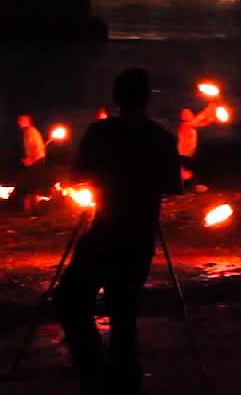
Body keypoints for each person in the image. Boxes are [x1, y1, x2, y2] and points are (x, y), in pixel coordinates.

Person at [55, 68, 181, 394]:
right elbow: (173, 185)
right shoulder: (162, 138)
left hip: (105, 232)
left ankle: (96, 370)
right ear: (147, 99)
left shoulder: (100, 133)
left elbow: (76, 175)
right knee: (123, 309)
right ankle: (124, 375)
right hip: (138, 236)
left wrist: (105, 178)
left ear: (116, 97)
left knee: (71, 298)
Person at [176, 107, 214, 189]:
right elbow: (199, 118)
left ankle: (189, 187)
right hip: (183, 154)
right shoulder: (184, 125)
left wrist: (211, 118)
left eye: (189, 113)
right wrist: (209, 108)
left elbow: (203, 123)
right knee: (186, 173)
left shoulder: (192, 125)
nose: (189, 114)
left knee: (187, 173)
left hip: (188, 154)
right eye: (186, 113)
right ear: (182, 117)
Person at [17, 114, 49, 210]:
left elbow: (37, 148)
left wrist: (31, 159)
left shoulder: (30, 131)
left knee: (33, 184)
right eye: (19, 120)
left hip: (37, 160)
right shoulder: (27, 132)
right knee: (31, 184)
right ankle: (31, 208)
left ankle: (34, 208)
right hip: (35, 160)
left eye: (21, 120)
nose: (19, 122)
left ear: (27, 121)